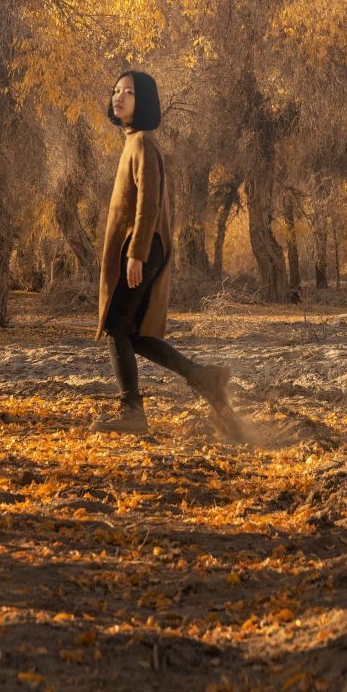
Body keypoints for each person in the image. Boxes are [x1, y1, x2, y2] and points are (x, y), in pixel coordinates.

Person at [90, 70, 242, 440]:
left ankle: (132, 412)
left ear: (144, 101)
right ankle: (204, 378)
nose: (119, 97)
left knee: (115, 327)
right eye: (116, 91)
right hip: (142, 245)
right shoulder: (133, 142)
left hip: (142, 245)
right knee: (136, 334)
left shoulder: (142, 142)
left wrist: (136, 253)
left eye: (129, 92)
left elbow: (149, 202)